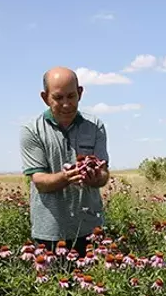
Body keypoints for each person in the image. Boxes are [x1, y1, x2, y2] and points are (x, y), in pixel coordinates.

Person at [20, 66, 110, 257]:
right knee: (52, 285)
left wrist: (94, 177)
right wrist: (67, 177)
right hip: (50, 233)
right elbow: (40, 182)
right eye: (58, 98)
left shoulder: (95, 126)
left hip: (90, 229)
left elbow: (103, 176)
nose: (67, 104)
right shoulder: (32, 130)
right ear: (45, 98)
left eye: (71, 96)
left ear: (80, 93)